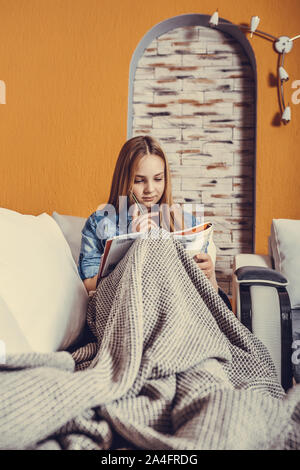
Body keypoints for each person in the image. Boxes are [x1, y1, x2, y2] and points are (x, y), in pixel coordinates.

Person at [78, 135, 218, 294]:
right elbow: (89, 283)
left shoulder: (187, 222)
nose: (150, 189)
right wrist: (134, 243)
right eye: (139, 181)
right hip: (127, 304)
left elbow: (210, 295)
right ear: (125, 180)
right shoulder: (100, 222)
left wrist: (210, 276)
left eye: (158, 179)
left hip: (180, 307)